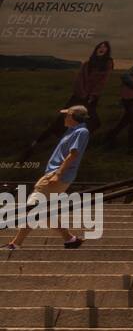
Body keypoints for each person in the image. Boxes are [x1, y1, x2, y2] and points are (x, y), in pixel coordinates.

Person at [6, 105, 92, 251]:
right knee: (44, 210)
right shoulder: (71, 131)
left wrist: (58, 174)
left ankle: (16, 243)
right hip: (54, 174)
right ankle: (70, 239)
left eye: (67, 116)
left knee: (33, 206)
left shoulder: (81, 131)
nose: (64, 118)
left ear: (73, 117)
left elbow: (73, 154)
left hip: (57, 175)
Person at [23, 41, 114, 157]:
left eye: (105, 47)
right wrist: (83, 95)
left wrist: (92, 96)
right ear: (96, 49)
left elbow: (102, 82)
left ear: (107, 51)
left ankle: (71, 145)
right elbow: (79, 80)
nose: (102, 49)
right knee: (61, 121)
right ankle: (36, 143)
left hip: (91, 99)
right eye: (100, 47)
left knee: (92, 123)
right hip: (78, 97)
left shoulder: (107, 64)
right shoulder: (87, 63)